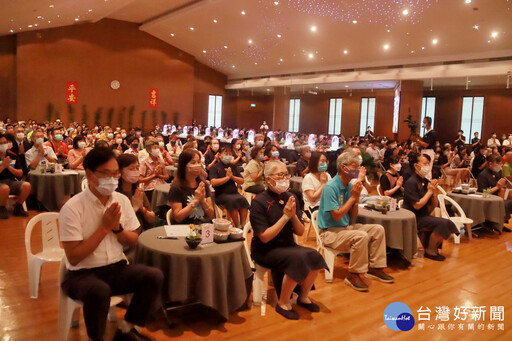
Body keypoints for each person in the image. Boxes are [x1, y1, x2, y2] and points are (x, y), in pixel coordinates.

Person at [59, 147, 163, 341]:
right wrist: (105, 228)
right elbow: (74, 256)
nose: (112, 179)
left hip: (116, 268)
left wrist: (117, 229)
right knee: (99, 291)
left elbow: (133, 240)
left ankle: (126, 329)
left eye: (116, 174)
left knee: (153, 276)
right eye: (106, 174)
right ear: (89, 174)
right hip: (81, 274)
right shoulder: (73, 208)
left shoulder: (122, 201)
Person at [250, 160, 326, 320]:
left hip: (288, 245)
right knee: (297, 259)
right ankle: (283, 302)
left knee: (315, 256)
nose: (284, 178)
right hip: (266, 250)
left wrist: (293, 217)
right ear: (268, 178)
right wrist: (285, 217)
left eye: (286, 174)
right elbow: (264, 237)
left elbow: (299, 232)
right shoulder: (259, 201)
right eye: (280, 175)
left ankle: (303, 297)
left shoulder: (291, 197)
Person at [318, 151, 394, 292]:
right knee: (361, 236)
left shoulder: (350, 186)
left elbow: (353, 215)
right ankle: (353, 275)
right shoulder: (330, 187)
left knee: (378, 229)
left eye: (358, 167)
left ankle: (375, 268)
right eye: (355, 167)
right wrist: (353, 198)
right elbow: (336, 216)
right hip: (329, 232)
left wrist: (356, 198)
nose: (358, 170)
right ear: (344, 167)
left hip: (346, 227)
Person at [403, 154, 460, 261]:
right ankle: (430, 250)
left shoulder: (425, 181)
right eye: (425, 163)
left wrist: (433, 191)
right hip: (413, 216)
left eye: (429, 164)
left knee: (446, 222)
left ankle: (431, 248)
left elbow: (434, 205)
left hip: (424, 215)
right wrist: (429, 192)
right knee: (442, 223)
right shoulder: (411, 182)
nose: (428, 166)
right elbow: (417, 205)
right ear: (416, 166)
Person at [167, 149, 214, 224]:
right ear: (184, 166)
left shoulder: (203, 185)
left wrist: (203, 201)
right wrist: (195, 201)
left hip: (204, 227)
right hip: (185, 228)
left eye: (198, 162)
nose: (197, 165)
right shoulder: (176, 188)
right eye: (193, 162)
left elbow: (211, 214)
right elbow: (178, 218)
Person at [209, 147, 249, 227]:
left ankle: (243, 224)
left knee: (243, 200)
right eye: (226, 154)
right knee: (232, 201)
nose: (228, 156)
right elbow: (213, 182)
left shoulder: (233, 167)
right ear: (220, 155)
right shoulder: (215, 167)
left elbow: (242, 181)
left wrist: (232, 177)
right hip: (221, 194)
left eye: (230, 154)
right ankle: (237, 225)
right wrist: (227, 178)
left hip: (234, 192)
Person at [116, 154, 156, 232]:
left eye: (137, 168)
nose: (135, 172)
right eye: (131, 169)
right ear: (120, 171)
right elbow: (118, 223)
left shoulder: (138, 191)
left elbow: (152, 219)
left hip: (141, 233)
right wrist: (134, 208)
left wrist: (141, 208)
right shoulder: (115, 194)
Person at [477, 154, 512, 232]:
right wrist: (497, 187)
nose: (500, 165)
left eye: (500, 163)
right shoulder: (483, 175)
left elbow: (500, 188)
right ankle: (494, 224)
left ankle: (500, 223)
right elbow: (484, 193)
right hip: (484, 200)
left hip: (495, 197)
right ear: (490, 163)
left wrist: (501, 188)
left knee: (509, 203)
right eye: (498, 163)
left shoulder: (497, 173)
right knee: (505, 204)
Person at [0, 134, 31, 218]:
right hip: (1, 183)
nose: (3, 145)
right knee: (4, 188)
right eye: (1, 143)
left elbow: (20, 173)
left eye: (5, 142)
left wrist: (8, 167)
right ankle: (2, 208)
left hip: (11, 181)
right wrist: (2, 166)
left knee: (26, 185)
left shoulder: (12, 156)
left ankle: (18, 207)